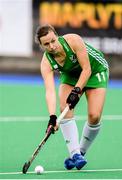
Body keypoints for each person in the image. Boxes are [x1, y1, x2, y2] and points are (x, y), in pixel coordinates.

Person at [35, 24, 109, 170]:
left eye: (53, 41)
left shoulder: (73, 40)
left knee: (94, 116)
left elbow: (86, 69)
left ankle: (81, 150)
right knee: (64, 107)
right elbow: (49, 91)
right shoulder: (46, 63)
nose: (52, 46)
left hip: (94, 70)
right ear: (42, 46)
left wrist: (76, 91)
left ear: (57, 36)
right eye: (46, 44)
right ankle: (75, 154)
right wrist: (52, 117)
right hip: (71, 74)